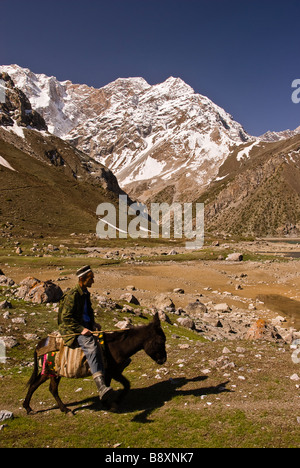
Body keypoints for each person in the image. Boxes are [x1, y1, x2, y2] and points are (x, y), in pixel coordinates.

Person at [58, 265, 113, 401]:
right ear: (82, 279)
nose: (93, 281)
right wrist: (81, 329)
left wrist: (93, 323)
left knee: (106, 340)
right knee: (92, 347)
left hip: (86, 325)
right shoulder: (73, 295)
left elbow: (88, 311)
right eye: (91, 278)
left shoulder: (85, 293)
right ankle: (101, 387)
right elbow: (66, 318)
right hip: (73, 330)